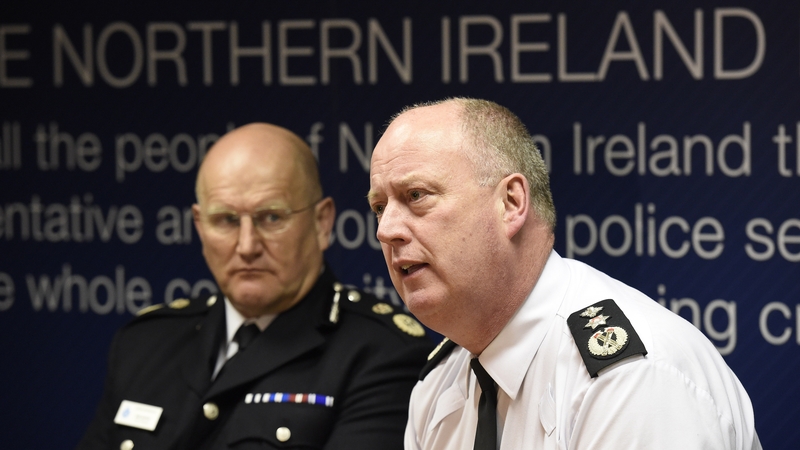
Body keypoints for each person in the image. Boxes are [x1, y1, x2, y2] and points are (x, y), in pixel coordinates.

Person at [367, 98, 761, 450]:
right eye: (379, 208)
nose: (386, 230)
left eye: (416, 196)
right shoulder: (438, 386)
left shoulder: (629, 379)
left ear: (511, 203)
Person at [78, 123, 434, 450]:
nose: (247, 245)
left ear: (322, 222)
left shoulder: (380, 354)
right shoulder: (146, 343)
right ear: (200, 229)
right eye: (226, 220)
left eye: (271, 217)